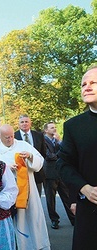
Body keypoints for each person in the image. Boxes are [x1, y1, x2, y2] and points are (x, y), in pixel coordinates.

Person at [56, 65, 97, 249]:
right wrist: (84, 188)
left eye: (93, 83)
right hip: (90, 211)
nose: (86, 87)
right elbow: (64, 164)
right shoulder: (73, 126)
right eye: (83, 84)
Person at [0, 124, 50, 250]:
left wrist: (30, 156)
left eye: (12, 136)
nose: (10, 139)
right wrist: (6, 167)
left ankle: (35, 245)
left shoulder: (23, 145)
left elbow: (39, 159)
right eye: (6, 137)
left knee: (31, 218)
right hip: (7, 192)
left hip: (27, 190)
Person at [43, 121, 75, 229]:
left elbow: (66, 151)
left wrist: (59, 141)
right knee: (50, 199)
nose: (54, 129)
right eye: (52, 127)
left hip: (60, 173)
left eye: (55, 127)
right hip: (49, 173)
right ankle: (54, 220)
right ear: (46, 130)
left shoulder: (57, 141)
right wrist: (61, 156)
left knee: (66, 196)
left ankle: (73, 218)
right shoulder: (43, 141)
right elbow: (48, 156)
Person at [14, 114, 46, 196]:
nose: (24, 123)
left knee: (37, 198)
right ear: (19, 124)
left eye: (26, 122)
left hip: (37, 172)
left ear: (30, 123)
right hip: (21, 173)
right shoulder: (14, 136)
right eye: (22, 122)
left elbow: (43, 153)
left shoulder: (38, 135)